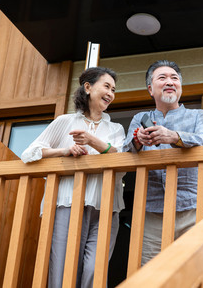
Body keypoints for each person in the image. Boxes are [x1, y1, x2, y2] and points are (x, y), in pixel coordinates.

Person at [21, 67, 125, 288]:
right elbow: (29, 154)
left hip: (106, 207)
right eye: (106, 86)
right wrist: (64, 151)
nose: (110, 93)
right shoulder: (65, 121)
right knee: (63, 270)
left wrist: (91, 140)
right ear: (88, 87)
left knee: (94, 271)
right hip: (67, 203)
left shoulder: (116, 128)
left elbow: (122, 159)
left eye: (113, 90)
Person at [123, 60, 203, 265]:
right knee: (150, 271)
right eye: (162, 78)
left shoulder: (198, 115)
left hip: (192, 206)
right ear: (150, 89)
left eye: (174, 78)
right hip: (151, 210)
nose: (170, 82)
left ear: (180, 87)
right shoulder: (141, 117)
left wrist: (173, 136)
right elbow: (126, 150)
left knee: (199, 267)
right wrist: (139, 140)